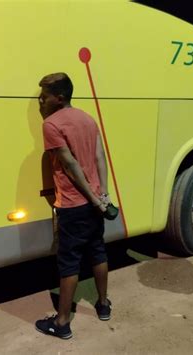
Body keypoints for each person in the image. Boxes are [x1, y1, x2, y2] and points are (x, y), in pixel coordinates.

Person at [35, 72, 112, 340]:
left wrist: (91, 197)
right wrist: (103, 195)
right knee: (97, 252)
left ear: (60, 97)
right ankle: (103, 305)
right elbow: (100, 157)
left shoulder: (52, 125)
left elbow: (69, 164)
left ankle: (62, 322)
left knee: (69, 263)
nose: (40, 102)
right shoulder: (88, 119)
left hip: (73, 203)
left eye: (44, 97)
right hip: (95, 203)